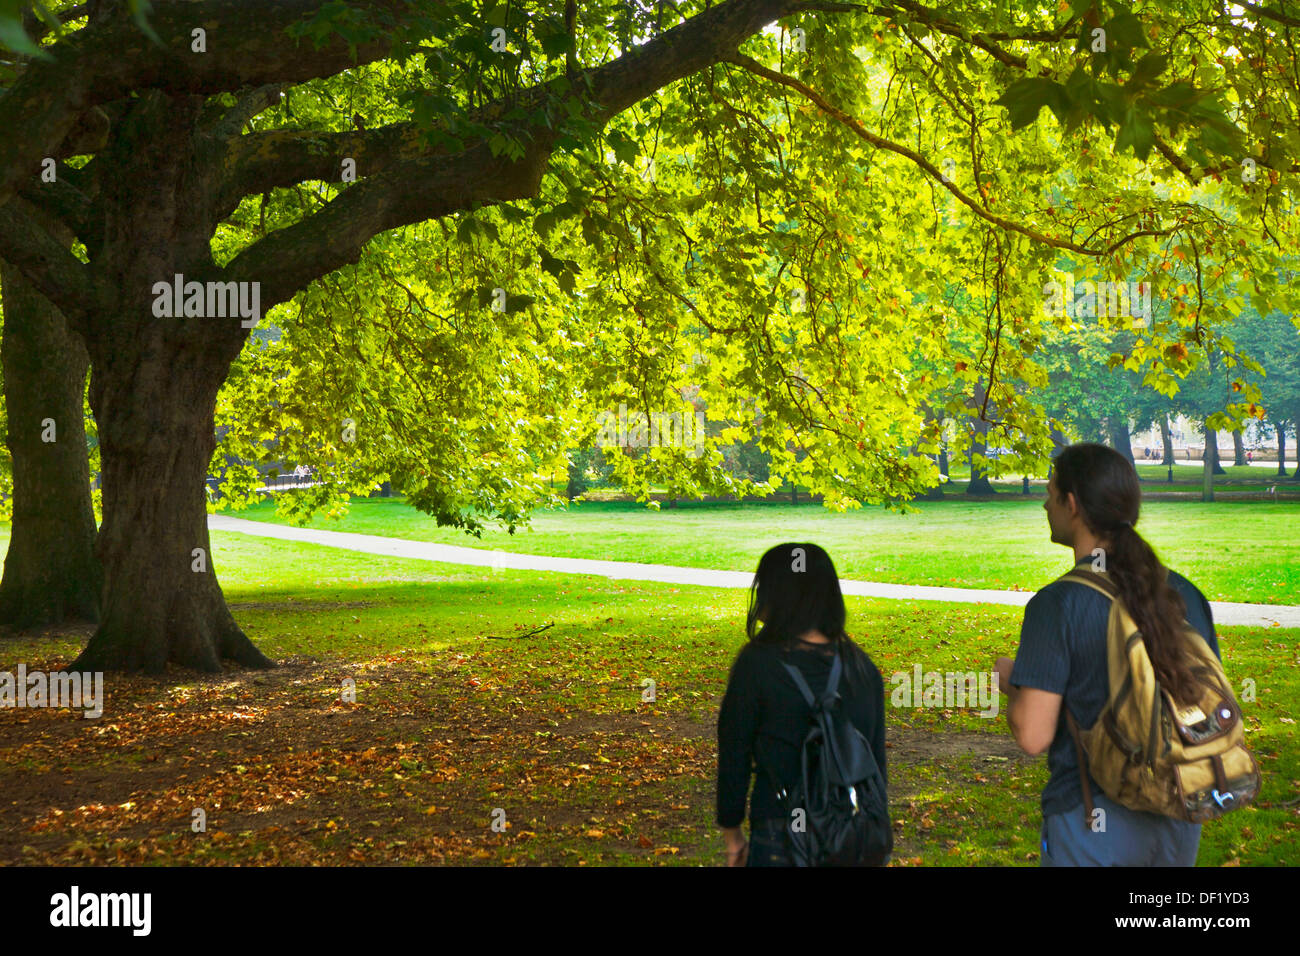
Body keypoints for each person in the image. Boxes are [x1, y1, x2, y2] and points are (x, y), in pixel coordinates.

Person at [994, 443, 1220, 866]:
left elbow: (1032, 734)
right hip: (1179, 807)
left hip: (1092, 819)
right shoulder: (1186, 595)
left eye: (1051, 492)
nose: (1045, 503)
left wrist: (1011, 683)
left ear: (1072, 504)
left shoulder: (1058, 604)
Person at [716, 542, 886, 866]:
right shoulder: (863, 669)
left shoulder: (757, 664)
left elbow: (734, 752)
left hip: (780, 833)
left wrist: (732, 834)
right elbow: (874, 767)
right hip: (849, 837)